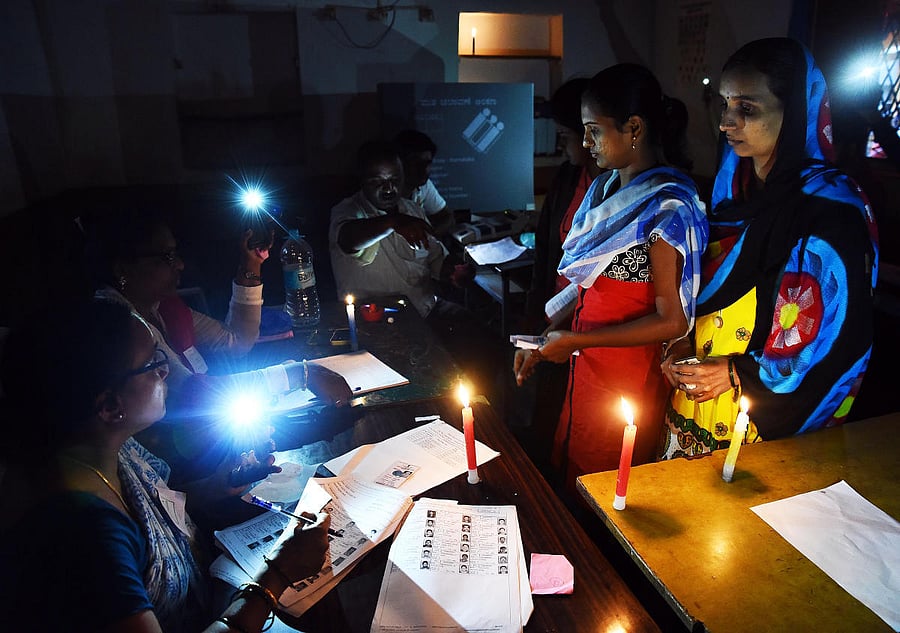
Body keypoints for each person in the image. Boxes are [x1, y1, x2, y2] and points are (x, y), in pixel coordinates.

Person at [0, 299, 331, 633]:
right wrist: (277, 576)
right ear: (110, 404)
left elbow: (148, 515)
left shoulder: (101, 445)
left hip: (214, 593)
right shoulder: (85, 536)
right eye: (151, 363)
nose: (165, 370)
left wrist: (216, 486)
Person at [659, 38, 879, 458]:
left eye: (747, 109)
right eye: (724, 105)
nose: (726, 123)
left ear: (794, 113)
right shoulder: (731, 198)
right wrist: (678, 344)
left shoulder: (830, 212)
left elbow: (832, 331)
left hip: (760, 418)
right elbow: (694, 295)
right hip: (695, 409)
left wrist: (735, 373)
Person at [514, 64, 708, 490]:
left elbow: (672, 321)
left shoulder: (667, 207)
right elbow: (588, 291)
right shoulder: (602, 191)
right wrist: (544, 339)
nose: (586, 143)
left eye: (593, 131)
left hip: (624, 377)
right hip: (584, 368)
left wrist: (575, 343)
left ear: (633, 128)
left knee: (605, 485)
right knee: (570, 467)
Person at [86, 210, 352, 418]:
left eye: (175, 254)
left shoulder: (161, 307)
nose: (179, 264)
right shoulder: (118, 326)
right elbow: (191, 392)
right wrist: (300, 374)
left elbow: (235, 342)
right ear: (123, 268)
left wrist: (251, 264)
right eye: (166, 257)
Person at [515, 77, 606, 472]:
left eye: (572, 134)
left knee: (591, 443)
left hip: (595, 333)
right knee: (553, 423)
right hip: (560, 320)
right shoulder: (570, 177)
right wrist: (540, 324)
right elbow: (550, 252)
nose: (575, 145)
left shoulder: (626, 192)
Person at [394, 129, 453, 236]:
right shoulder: (387, 191)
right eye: (417, 163)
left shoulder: (424, 185)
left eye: (428, 163)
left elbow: (446, 216)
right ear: (400, 163)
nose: (424, 169)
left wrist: (429, 236)